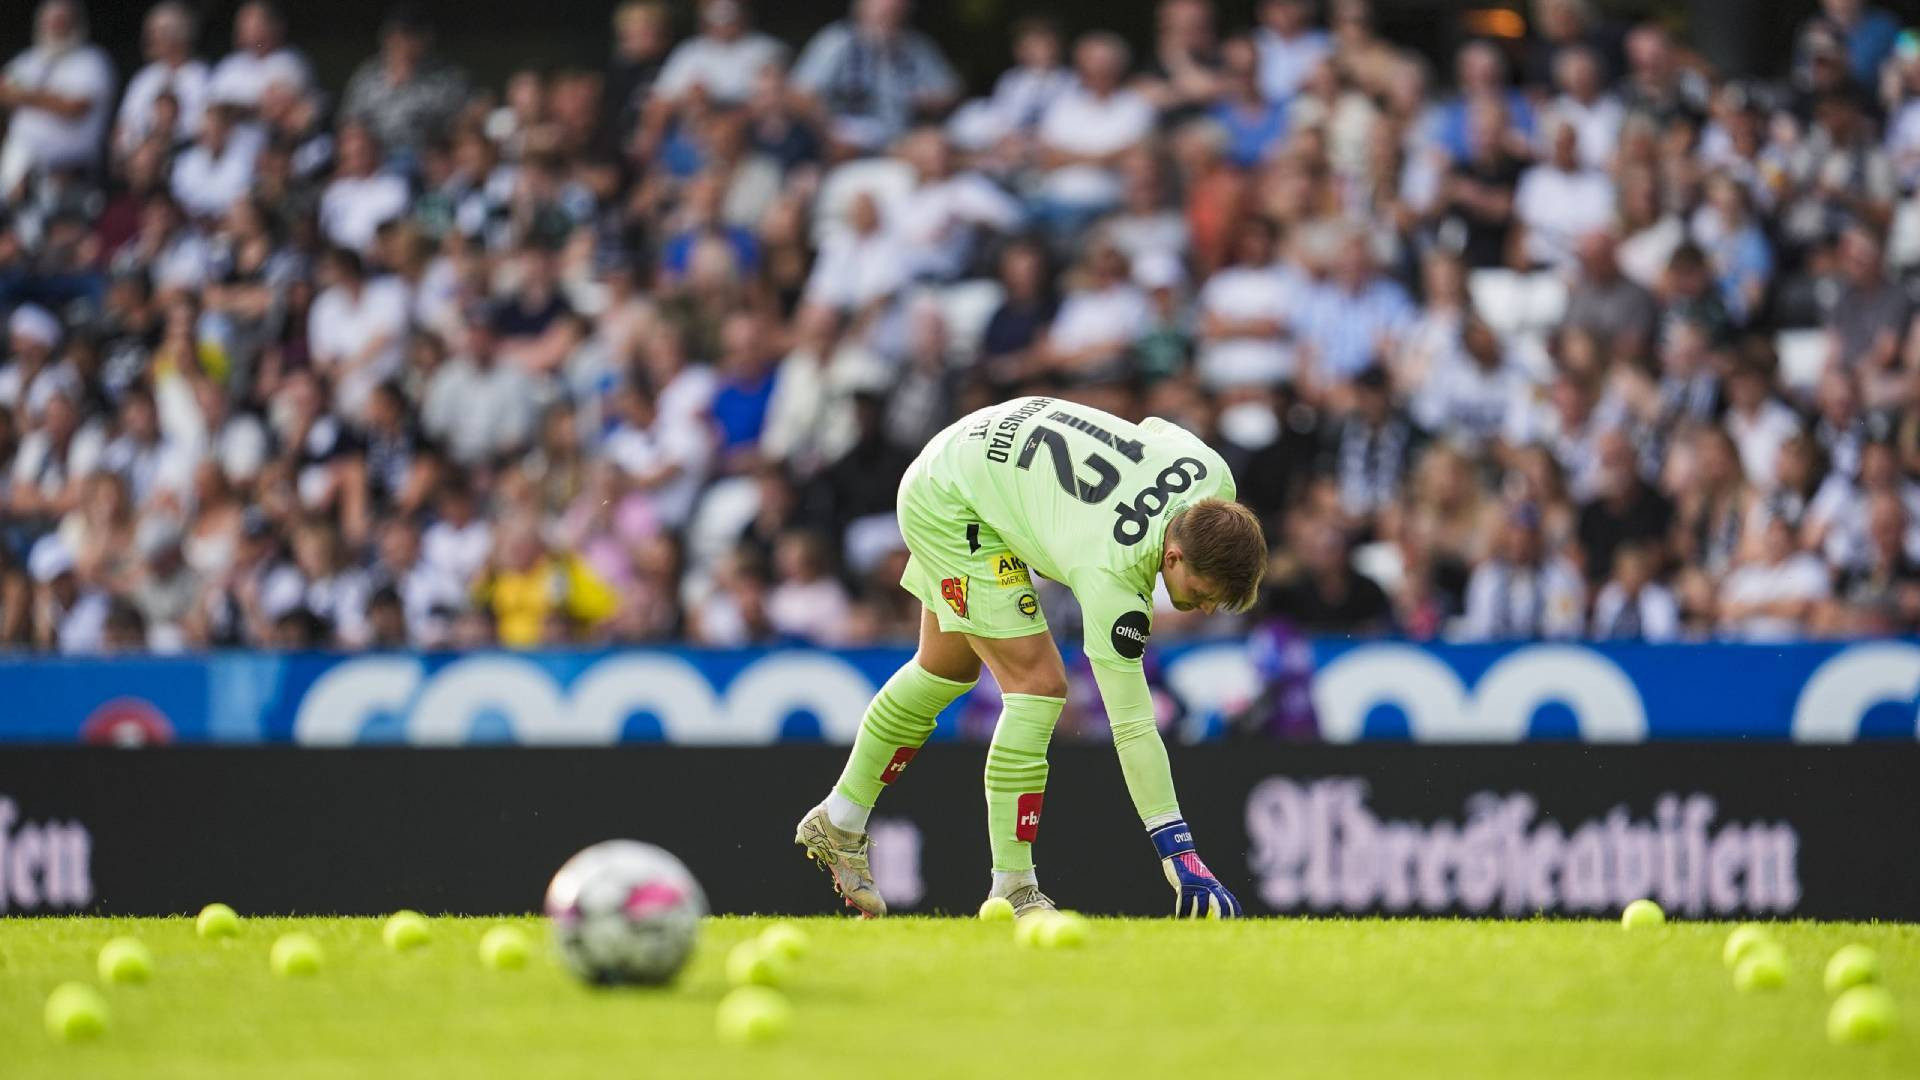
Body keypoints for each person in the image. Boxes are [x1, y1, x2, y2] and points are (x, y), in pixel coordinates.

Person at [795, 395, 1267, 919]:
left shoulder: (1209, 473)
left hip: (978, 447)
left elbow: (1152, 426)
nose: (1204, 609)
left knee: (946, 668)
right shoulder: (1113, 578)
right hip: (955, 500)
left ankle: (840, 817)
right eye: (1202, 593)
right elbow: (1132, 726)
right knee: (1038, 685)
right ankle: (1014, 889)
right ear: (1173, 556)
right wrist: (1179, 854)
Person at [0, 0, 116, 197]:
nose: (56, 27)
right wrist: (43, 98)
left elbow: (75, 107)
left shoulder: (91, 60)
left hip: (70, 171)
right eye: (51, 21)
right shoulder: (29, 59)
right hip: (19, 166)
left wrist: (25, 95)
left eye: (62, 21)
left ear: (76, 24)